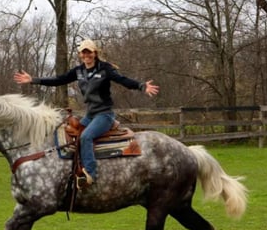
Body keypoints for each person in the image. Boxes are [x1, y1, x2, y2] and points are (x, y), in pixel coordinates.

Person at [14, 38, 159, 186]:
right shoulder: (79, 71)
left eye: (88, 52)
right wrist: (33, 80)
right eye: (83, 53)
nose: (86, 56)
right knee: (70, 135)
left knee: (86, 137)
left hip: (104, 115)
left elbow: (122, 80)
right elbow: (59, 80)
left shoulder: (105, 69)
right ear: (80, 55)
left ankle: (90, 173)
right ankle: (74, 169)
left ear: (95, 53)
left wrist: (141, 86)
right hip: (90, 115)